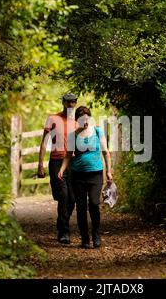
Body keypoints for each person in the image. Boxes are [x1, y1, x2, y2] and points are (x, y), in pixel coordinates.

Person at [58, 106, 113, 248]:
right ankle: (85, 238)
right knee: (81, 207)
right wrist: (62, 170)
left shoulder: (98, 132)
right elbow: (68, 155)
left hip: (95, 173)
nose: (85, 121)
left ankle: (96, 234)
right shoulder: (73, 135)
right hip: (78, 175)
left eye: (87, 118)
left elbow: (106, 153)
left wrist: (108, 171)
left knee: (94, 204)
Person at [37, 93, 78, 244]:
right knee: (63, 195)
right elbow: (43, 142)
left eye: (73, 102)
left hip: (74, 162)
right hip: (56, 161)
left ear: (76, 103)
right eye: (68, 102)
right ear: (63, 102)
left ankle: (62, 225)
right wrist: (40, 165)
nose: (70, 105)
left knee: (73, 198)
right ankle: (64, 232)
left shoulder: (78, 122)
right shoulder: (53, 118)